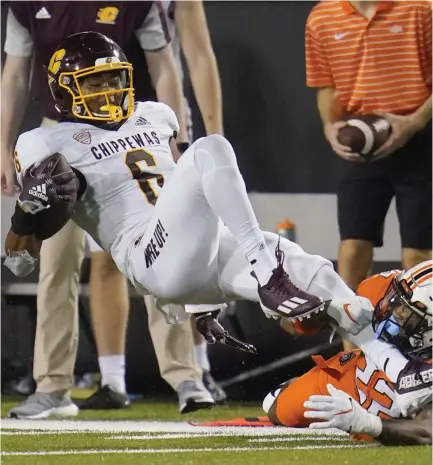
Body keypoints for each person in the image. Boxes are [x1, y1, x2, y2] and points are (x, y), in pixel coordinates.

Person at [4, 31, 418, 417]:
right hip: (144, 255)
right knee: (209, 148)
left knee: (317, 274)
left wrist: (202, 299)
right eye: (95, 83)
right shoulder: (44, 144)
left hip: (198, 250)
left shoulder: (155, 115)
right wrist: (26, 211)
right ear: (64, 90)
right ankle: (265, 269)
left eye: (114, 79)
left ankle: (393, 369)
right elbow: (19, 261)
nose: (109, 91)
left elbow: (192, 201)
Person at [1, 1, 214, 419]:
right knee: (56, 264)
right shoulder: (26, 5)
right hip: (58, 135)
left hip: (129, 127)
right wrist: (3, 146)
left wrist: (178, 140)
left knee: (160, 248)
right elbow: (15, 72)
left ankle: (186, 376)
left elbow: (165, 67)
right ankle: (53, 386)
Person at [305, 1, 432, 290]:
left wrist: (412, 123)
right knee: (352, 252)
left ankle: (420, 335)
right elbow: (327, 86)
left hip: (422, 144)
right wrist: (330, 126)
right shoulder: (322, 18)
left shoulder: (420, 9)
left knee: (418, 255)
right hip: (364, 146)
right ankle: (352, 336)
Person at [142, 0, 227, 404]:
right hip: (100, 126)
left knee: (186, 243)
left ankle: (199, 365)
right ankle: (112, 378)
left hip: (162, 121)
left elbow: (198, 55)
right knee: (107, 260)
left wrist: (215, 136)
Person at [264, 261, 432, 446]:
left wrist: (369, 425)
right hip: (359, 374)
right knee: (276, 407)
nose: (397, 311)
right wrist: (322, 310)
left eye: (410, 311)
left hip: (401, 404)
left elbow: (428, 432)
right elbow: (290, 326)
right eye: (399, 301)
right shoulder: (380, 288)